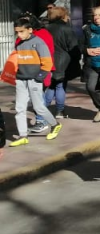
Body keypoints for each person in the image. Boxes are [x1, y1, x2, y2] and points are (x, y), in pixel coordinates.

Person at [7, 17, 63, 146]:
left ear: (30, 30)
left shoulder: (39, 42)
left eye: (21, 31)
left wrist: (39, 77)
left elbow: (47, 62)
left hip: (34, 79)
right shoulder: (19, 43)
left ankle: (55, 125)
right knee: (19, 108)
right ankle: (23, 136)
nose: (19, 35)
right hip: (21, 79)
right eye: (17, 32)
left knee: (38, 107)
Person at [42, 7, 81, 120]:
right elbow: (73, 47)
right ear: (62, 15)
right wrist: (77, 58)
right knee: (60, 85)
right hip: (63, 61)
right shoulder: (66, 29)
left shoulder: (46, 29)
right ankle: (59, 110)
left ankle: (43, 109)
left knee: (51, 85)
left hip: (49, 60)